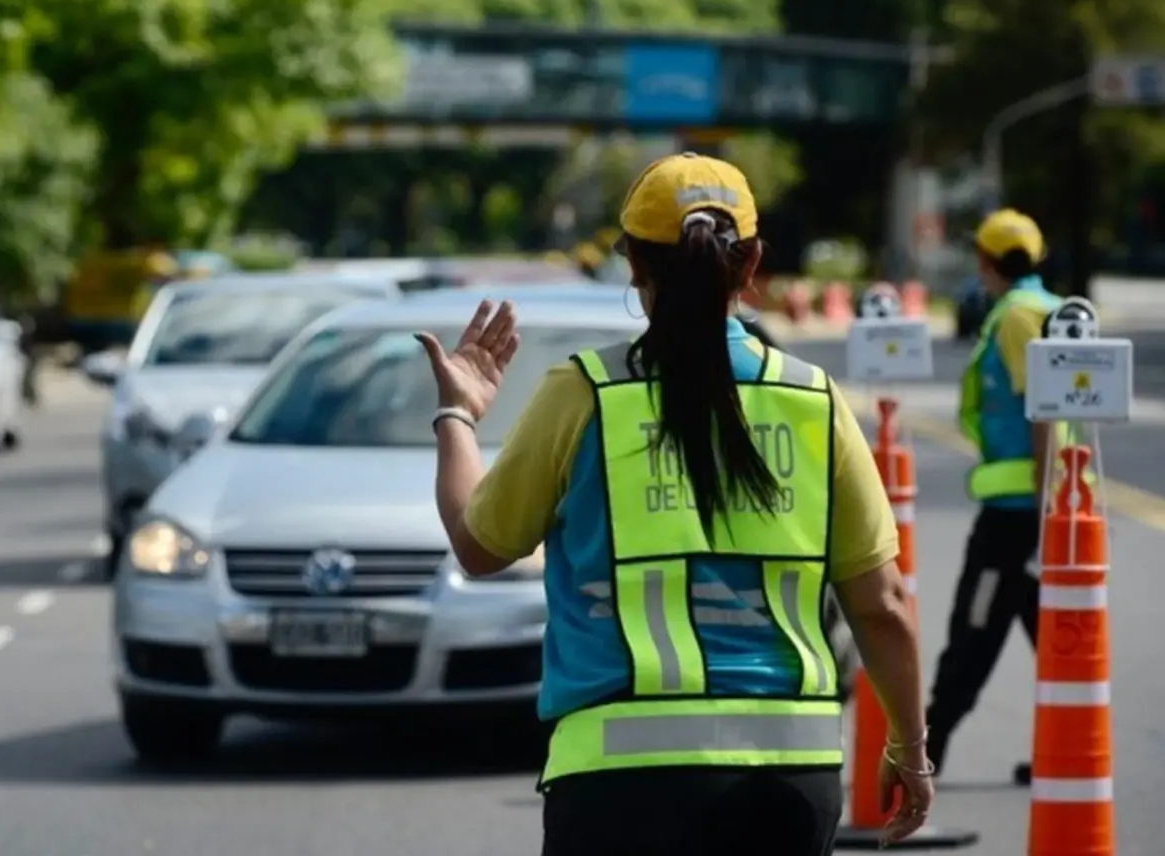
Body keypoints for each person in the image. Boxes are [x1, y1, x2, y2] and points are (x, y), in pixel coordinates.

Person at [415, 152, 934, 855]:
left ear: (632, 263)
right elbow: (883, 604)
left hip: (615, 782)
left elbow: (480, 546)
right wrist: (909, 745)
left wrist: (458, 418)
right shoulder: (815, 399)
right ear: (752, 265)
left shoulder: (584, 392)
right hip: (786, 781)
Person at [925, 208, 1062, 783]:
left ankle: (924, 756)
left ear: (986, 260)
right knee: (1057, 638)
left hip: (1018, 516)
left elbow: (1046, 408)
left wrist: (1042, 501)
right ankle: (1065, 750)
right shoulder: (1054, 308)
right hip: (1052, 510)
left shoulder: (1016, 317)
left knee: (973, 634)